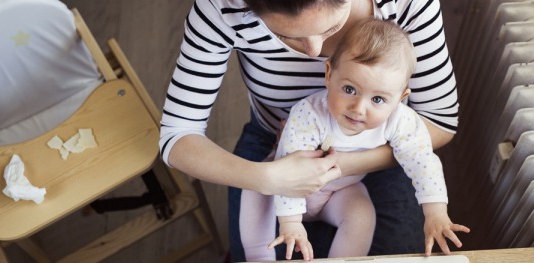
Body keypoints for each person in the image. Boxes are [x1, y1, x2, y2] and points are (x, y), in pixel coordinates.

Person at [159, 0, 460, 261]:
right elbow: (177, 135)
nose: (315, 52)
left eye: (331, 29)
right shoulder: (221, 9)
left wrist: (337, 165)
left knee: (389, 244)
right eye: (285, 35)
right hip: (272, 150)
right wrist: (268, 178)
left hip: (377, 153)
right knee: (259, 241)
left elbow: (437, 125)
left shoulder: (406, 7)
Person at [238, 18, 468, 261]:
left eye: (377, 100)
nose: (358, 108)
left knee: (361, 214)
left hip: (338, 191)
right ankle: (258, 257)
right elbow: (289, 167)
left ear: (400, 99)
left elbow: (423, 163)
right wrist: (291, 222)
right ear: (329, 74)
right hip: (285, 185)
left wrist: (435, 213)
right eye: (349, 90)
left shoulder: (402, 121)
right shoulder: (309, 113)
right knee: (254, 189)